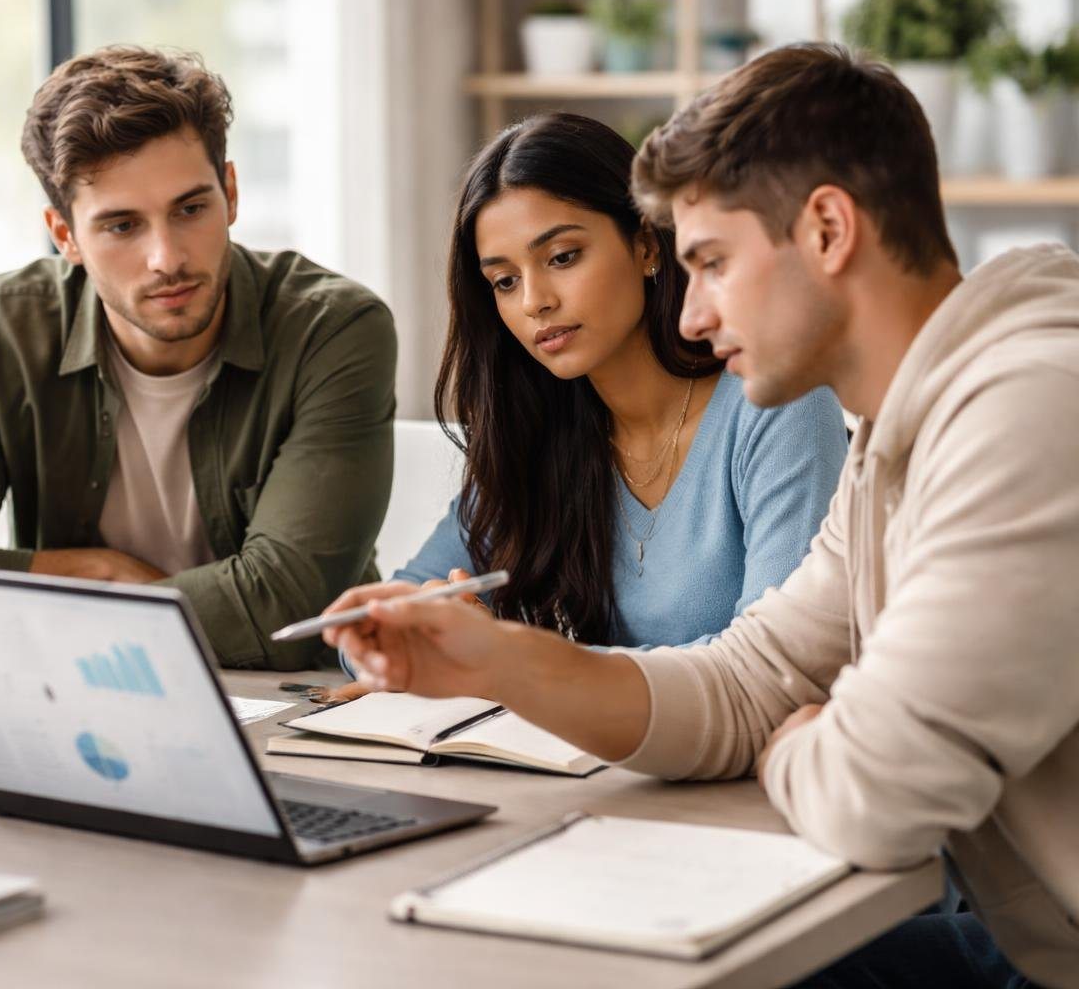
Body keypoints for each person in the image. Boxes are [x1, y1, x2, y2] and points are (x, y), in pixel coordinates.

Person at [327, 45, 1078, 987]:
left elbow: (878, 797)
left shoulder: (1031, 410)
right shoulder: (898, 438)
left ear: (829, 230)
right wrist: (494, 657)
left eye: (713, 263)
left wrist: (803, 746)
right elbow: (747, 682)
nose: (690, 315)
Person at [0, 46, 396, 670]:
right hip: (86, 698)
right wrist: (94, 570)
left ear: (229, 192)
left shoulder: (332, 329)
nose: (166, 258)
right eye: (122, 226)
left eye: (191, 208)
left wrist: (60, 602)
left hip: (292, 703)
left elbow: (280, 603)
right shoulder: (0, 330)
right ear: (65, 235)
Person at [335, 112, 845, 695]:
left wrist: (511, 658)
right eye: (504, 281)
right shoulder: (536, 432)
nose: (534, 302)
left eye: (562, 257)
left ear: (646, 244)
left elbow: (775, 666)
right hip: (574, 774)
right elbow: (380, 620)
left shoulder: (778, 402)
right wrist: (405, 638)